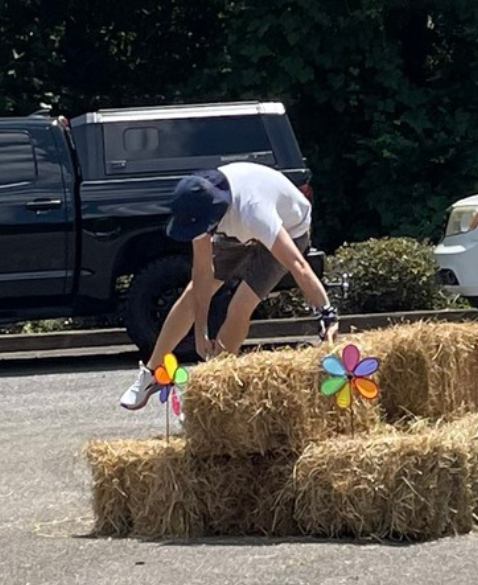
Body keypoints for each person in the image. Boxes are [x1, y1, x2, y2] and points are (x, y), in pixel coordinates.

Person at [119, 161, 340, 410]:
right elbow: (203, 272)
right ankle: (152, 372)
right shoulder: (198, 204)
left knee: (239, 306)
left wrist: (327, 313)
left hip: (288, 229)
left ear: (215, 215)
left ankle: (219, 382)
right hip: (234, 232)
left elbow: (299, 266)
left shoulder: (254, 211)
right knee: (192, 293)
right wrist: (200, 332)